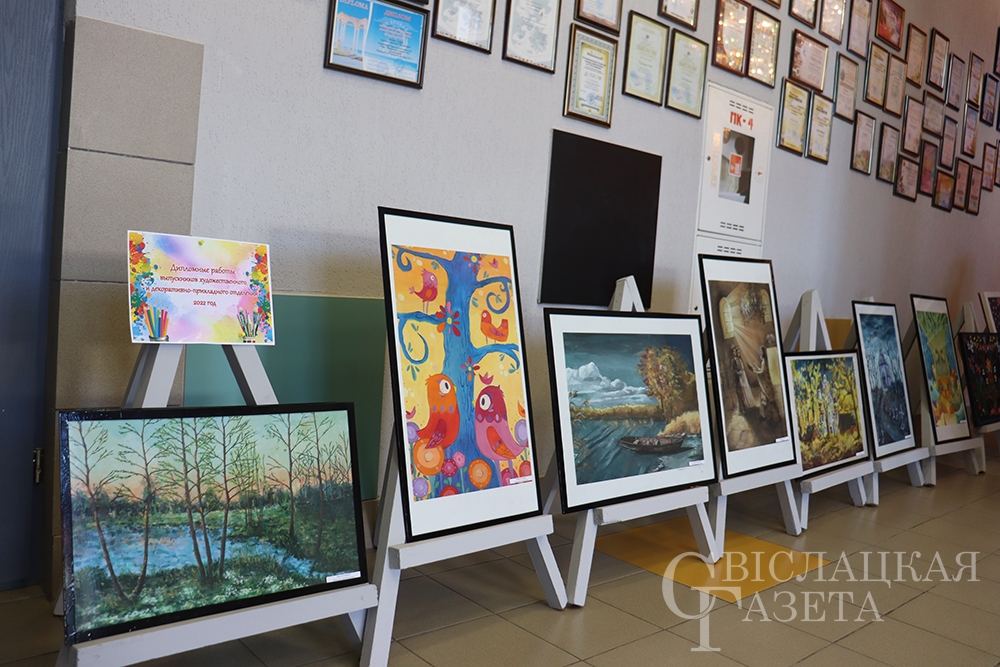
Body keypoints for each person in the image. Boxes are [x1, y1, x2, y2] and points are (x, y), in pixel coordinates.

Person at [732, 346, 756, 414]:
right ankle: (744, 406)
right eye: (737, 352)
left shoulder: (740, 359)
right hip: (739, 376)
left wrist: (751, 368)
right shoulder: (734, 360)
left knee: (746, 388)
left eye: (739, 352)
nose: (738, 353)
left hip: (743, 375)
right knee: (742, 391)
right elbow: (733, 369)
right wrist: (737, 372)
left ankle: (749, 404)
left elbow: (743, 367)